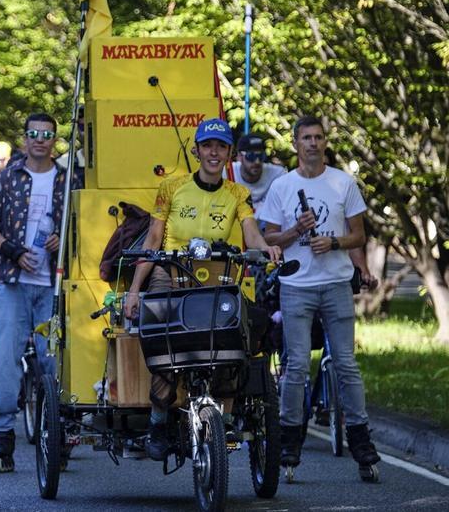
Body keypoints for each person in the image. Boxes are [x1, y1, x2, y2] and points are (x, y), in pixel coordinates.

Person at [122, 117, 281, 461]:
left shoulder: (238, 193)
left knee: (232, 341)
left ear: (229, 154)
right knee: (165, 339)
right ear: (196, 150)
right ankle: (158, 422)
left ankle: (223, 417)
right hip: (172, 270)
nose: (213, 152)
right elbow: (152, 240)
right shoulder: (171, 188)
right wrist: (135, 291)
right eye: (207, 145)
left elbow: (250, 231)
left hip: (219, 274)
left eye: (220, 146)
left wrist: (265, 248)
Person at [259, 115, 381, 476]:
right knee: (296, 366)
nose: (313, 143)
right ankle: (289, 445)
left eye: (318, 137)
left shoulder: (343, 182)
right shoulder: (282, 187)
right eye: (306, 138)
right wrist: (297, 229)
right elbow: (269, 237)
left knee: (346, 364)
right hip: (296, 287)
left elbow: (359, 235)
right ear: (295, 143)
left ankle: (362, 443)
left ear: (326, 143)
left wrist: (334, 242)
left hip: (336, 283)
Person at [0, 113, 81, 472]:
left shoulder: (67, 181)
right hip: (11, 282)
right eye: (34, 133)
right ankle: (2, 433)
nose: (40, 139)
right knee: (4, 357)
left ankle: (60, 429)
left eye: (47, 135)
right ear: (25, 139)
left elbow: (82, 230)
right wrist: (12, 251)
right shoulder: (9, 176)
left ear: (54, 141)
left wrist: (60, 241)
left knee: (57, 361)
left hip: (53, 286)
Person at [232, 132, 287, 220]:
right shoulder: (228, 172)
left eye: (261, 156)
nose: (257, 162)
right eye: (251, 156)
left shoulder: (277, 174)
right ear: (239, 156)